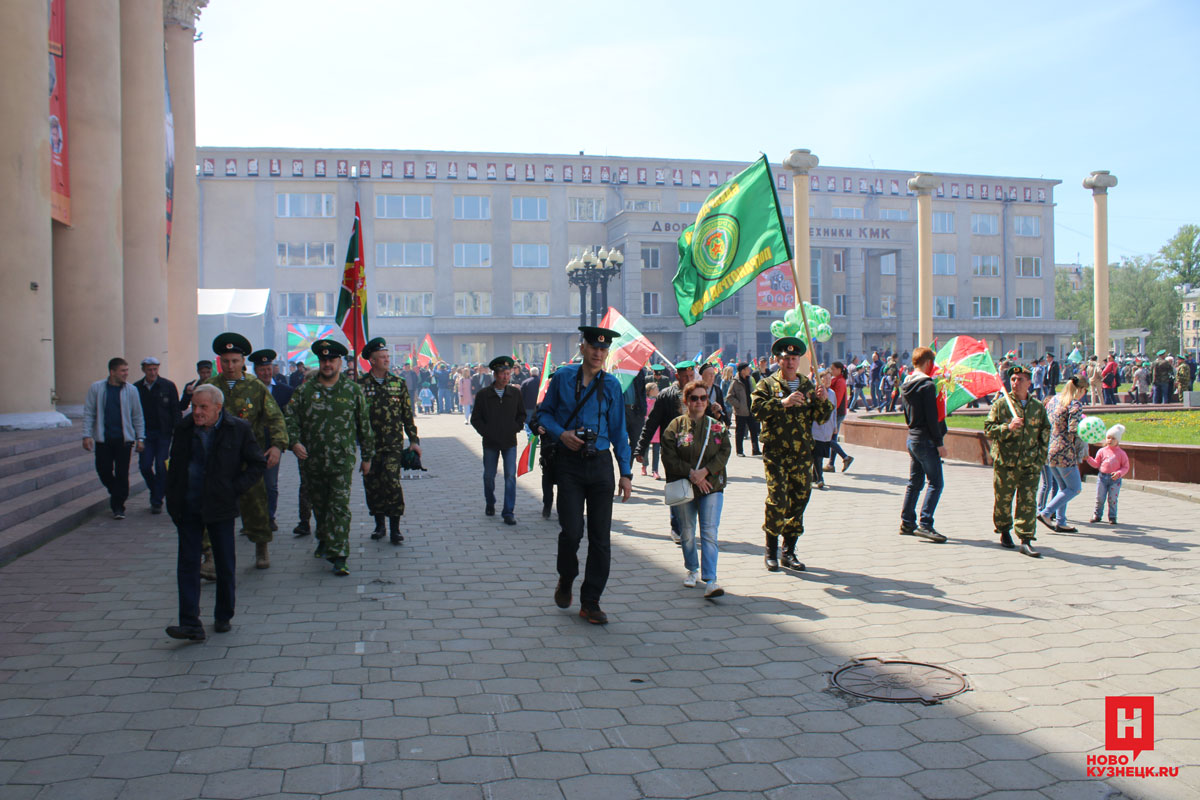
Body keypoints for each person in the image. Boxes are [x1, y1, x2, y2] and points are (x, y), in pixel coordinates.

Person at [538, 326, 633, 625]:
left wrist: (626, 473)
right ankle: (566, 578)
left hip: (601, 464)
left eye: (604, 350)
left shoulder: (612, 386)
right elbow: (543, 414)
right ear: (582, 348)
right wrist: (561, 434)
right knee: (571, 532)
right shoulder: (563, 377)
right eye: (593, 347)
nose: (598, 353)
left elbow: (619, 432)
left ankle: (591, 600)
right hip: (569, 463)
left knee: (601, 538)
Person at [163, 384, 266, 642]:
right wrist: (172, 500)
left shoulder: (237, 429)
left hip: (220, 506)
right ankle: (189, 622)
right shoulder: (185, 429)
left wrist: (234, 489)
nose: (197, 412)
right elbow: (175, 467)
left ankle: (223, 615)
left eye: (203, 407)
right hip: (188, 505)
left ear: (218, 409)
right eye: (195, 406)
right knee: (187, 564)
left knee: (224, 563)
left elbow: (256, 463)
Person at [285, 339, 374, 576]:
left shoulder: (352, 390)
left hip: (341, 461)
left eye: (331, 360)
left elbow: (364, 425)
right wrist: (294, 442)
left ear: (339, 362)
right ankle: (324, 538)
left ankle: (340, 554)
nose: (327, 364)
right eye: (323, 360)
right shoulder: (304, 391)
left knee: (339, 507)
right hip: (312, 461)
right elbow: (290, 418)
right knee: (320, 506)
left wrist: (367, 457)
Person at [203, 334, 288, 570]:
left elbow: (275, 418)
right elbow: (197, 420)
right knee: (212, 507)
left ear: (243, 362)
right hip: (216, 460)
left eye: (235, 361)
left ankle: (261, 547)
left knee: (256, 506)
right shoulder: (209, 387)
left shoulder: (256, 387)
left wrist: (277, 446)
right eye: (226, 361)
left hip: (249, 459)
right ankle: (209, 556)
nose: (230, 366)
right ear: (220, 361)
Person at [751, 337, 833, 572]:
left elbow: (821, 417)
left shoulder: (807, 385)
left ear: (799, 361)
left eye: (793, 359)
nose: (789, 363)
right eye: (785, 359)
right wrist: (783, 403)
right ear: (778, 360)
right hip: (776, 455)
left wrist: (823, 401)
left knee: (799, 501)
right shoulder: (767, 385)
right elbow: (756, 410)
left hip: (802, 455)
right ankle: (771, 550)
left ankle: (789, 550)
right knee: (778, 501)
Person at [662, 379, 731, 599]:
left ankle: (711, 580)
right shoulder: (675, 426)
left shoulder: (717, 426)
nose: (699, 402)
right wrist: (692, 473)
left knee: (709, 532)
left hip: (712, 486)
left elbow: (725, 452)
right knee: (688, 532)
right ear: (686, 401)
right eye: (694, 398)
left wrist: (706, 472)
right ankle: (692, 569)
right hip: (685, 485)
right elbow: (668, 456)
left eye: (703, 398)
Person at [357, 338, 420, 545]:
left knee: (392, 485)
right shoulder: (360, 386)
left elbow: (406, 415)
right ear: (372, 361)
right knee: (373, 485)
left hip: (393, 445)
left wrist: (413, 439)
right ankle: (379, 525)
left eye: (387, 357)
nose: (386, 360)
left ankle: (395, 528)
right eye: (382, 357)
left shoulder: (398, 383)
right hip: (370, 447)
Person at [984, 366, 1051, 557]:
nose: (1015, 382)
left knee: (1027, 502)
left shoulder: (1037, 407)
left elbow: (1045, 432)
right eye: (1013, 379)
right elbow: (989, 429)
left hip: (1030, 463)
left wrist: (1040, 458)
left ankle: (1026, 538)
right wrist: (1007, 427)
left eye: (1020, 379)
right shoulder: (1001, 405)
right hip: (1006, 462)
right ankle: (1004, 530)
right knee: (1003, 500)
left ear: (1029, 383)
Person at [635, 360, 696, 545]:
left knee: (694, 488)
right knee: (676, 488)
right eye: (685, 376)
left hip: (695, 450)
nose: (688, 379)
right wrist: (641, 447)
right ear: (677, 376)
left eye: (691, 376)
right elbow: (652, 422)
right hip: (672, 451)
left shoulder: (699, 394)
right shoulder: (666, 395)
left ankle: (689, 525)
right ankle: (677, 527)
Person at [83, 358, 145, 519]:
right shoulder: (97, 388)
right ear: (112, 372)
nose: (126, 373)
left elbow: (137, 415)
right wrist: (86, 434)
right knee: (103, 470)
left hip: (124, 440)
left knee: (122, 473)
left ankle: (119, 506)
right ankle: (116, 492)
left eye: (127, 370)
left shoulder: (131, 390)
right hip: (103, 439)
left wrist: (141, 438)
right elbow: (89, 412)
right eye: (123, 370)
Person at [898, 346, 948, 543]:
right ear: (928, 363)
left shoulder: (907, 384)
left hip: (912, 436)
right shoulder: (927, 386)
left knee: (915, 482)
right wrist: (939, 442)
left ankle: (907, 521)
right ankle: (925, 523)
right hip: (925, 439)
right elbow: (931, 417)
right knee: (936, 482)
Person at [471, 356, 526, 525]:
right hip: (490, 443)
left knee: (510, 476)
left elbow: (522, 415)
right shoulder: (483, 395)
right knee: (489, 476)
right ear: (495, 375)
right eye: (502, 374)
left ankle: (508, 511)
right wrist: (487, 432)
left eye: (508, 374)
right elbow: (476, 419)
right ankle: (490, 502)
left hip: (510, 442)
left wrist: (515, 427)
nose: (505, 377)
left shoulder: (515, 393)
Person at [1038, 375, 1088, 533]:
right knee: (1075, 488)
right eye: (1085, 391)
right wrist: (1087, 431)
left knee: (1063, 487)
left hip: (1050, 449)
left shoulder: (1054, 400)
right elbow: (1074, 429)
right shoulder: (1075, 404)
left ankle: (1061, 521)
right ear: (1080, 389)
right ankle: (1046, 513)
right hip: (1065, 452)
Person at [250, 349, 293, 532]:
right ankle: (251, 519)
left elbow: (289, 417)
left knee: (270, 484)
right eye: (262, 369)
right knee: (251, 484)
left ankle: (269, 517)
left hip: (273, 443)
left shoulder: (284, 391)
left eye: (268, 368)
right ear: (256, 371)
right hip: (251, 444)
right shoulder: (249, 390)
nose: (266, 373)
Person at [134, 356, 180, 514]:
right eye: (149, 369)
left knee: (161, 465)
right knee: (145, 466)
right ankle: (157, 490)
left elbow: (175, 410)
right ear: (143, 370)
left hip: (164, 433)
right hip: (145, 433)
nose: (152, 372)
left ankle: (156, 500)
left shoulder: (167, 386)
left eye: (155, 369)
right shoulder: (137, 388)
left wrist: (178, 431)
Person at [1087, 424, 1129, 524]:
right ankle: (1097, 515)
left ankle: (1112, 517)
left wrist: (1119, 473)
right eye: (1108, 438)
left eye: (1113, 438)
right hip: (1102, 477)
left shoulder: (1121, 453)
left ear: (1118, 440)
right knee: (1100, 497)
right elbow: (1096, 464)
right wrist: (1088, 459)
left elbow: (1126, 467)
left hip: (1115, 479)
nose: (1110, 440)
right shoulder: (1102, 451)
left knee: (1112, 499)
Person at [726, 362, 761, 457]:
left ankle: (756, 449)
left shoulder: (749, 379)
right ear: (742, 371)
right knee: (740, 432)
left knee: (754, 430)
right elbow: (729, 397)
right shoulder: (735, 382)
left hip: (750, 409)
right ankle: (740, 451)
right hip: (740, 411)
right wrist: (739, 405)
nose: (749, 370)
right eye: (747, 369)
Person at [825, 362, 854, 473]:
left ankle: (845, 457)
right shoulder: (837, 380)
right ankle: (831, 464)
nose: (831, 371)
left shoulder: (840, 381)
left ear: (839, 370)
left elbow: (836, 400)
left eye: (833, 369)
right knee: (832, 439)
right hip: (836, 413)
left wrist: (830, 413)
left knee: (828, 438)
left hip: (836, 413)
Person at [810, 371, 835, 490]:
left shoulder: (832, 393)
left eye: (830, 378)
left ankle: (814, 476)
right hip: (815, 430)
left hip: (827, 429)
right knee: (817, 455)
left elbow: (833, 411)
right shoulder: (813, 393)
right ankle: (820, 478)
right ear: (820, 380)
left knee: (819, 455)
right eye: (826, 378)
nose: (829, 381)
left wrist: (834, 426)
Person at [642, 381, 663, 479]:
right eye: (656, 389)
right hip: (647, 426)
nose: (658, 390)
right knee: (645, 448)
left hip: (657, 428)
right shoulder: (644, 401)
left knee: (656, 450)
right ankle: (644, 466)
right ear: (650, 391)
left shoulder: (659, 400)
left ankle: (655, 470)